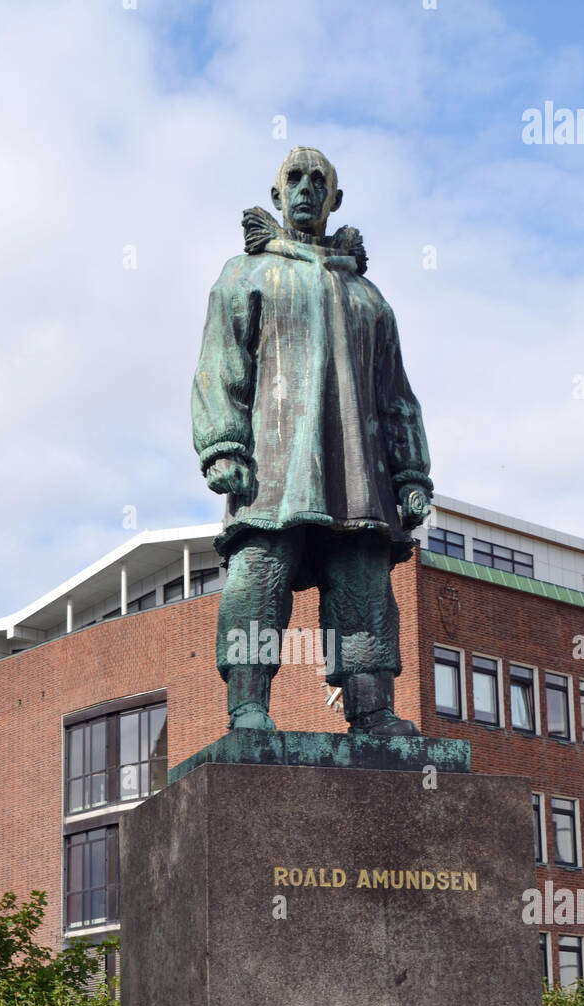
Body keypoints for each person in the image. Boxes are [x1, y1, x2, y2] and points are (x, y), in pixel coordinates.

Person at [192, 146, 433, 735]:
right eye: (293, 179)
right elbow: (220, 368)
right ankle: (248, 706)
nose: (305, 188)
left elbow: (395, 394)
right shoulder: (245, 276)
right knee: (259, 578)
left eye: (317, 180)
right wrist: (223, 444)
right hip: (275, 469)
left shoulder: (368, 299)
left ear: (335, 199)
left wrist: (411, 474)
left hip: (358, 473)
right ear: (277, 196)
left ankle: (371, 707)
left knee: (365, 587)